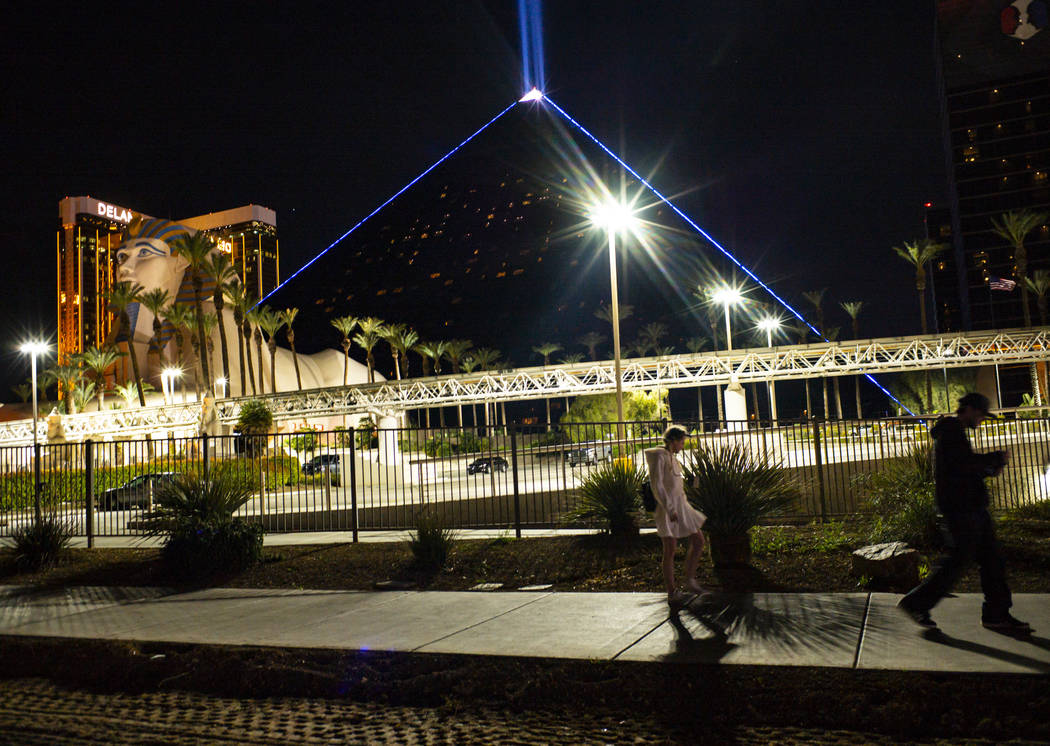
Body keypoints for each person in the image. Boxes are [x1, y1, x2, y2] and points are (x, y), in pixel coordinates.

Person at [898, 392, 1032, 633]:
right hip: (960, 509)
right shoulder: (950, 431)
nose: (981, 420)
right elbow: (963, 464)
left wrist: (989, 468)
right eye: (980, 415)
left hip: (970, 507)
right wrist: (994, 458)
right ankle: (916, 603)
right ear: (969, 409)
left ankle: (996, 613)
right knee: (961, 560)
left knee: (991, 560)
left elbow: (962, 468)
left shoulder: (953, 432)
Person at [645, 425, 708, 606]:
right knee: (670, 549)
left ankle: (689, 580)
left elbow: (673, 483)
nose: (683, 445)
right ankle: (672, 592)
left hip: (682, 506)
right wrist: (669, 508)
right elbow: (657, 485)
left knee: (698, 541)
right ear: (673, 440)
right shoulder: (659, 457)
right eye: (681, 441)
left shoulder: (672, 458)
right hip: (668, 509)